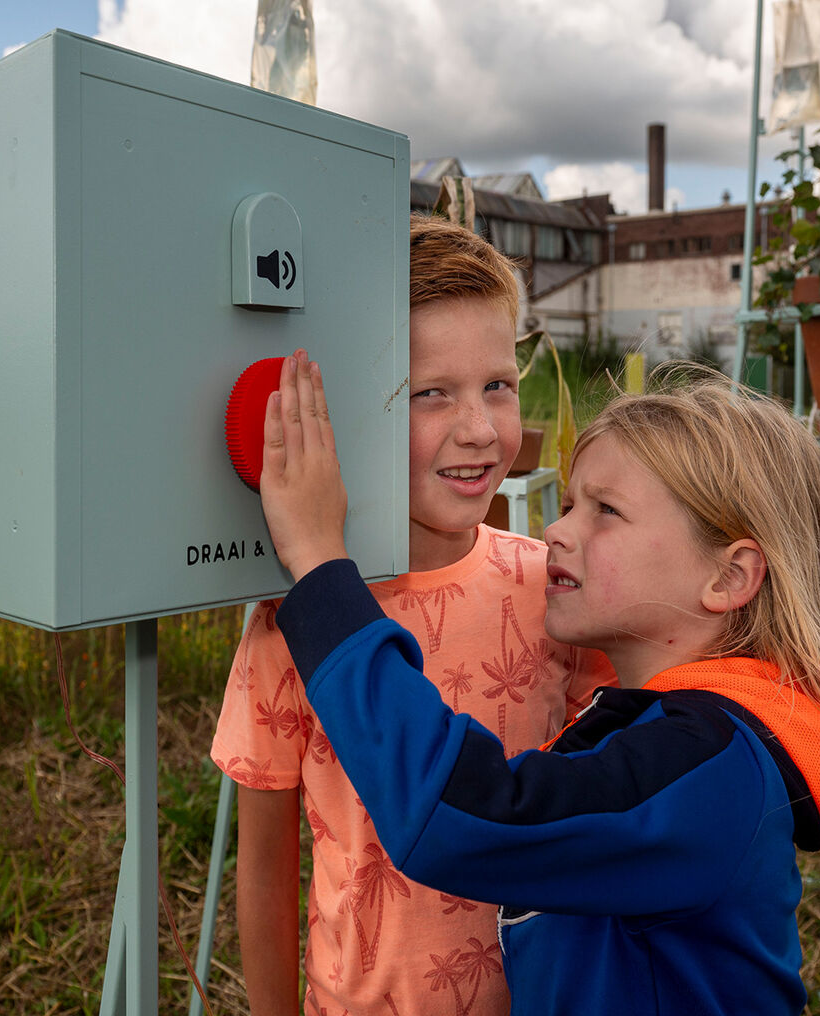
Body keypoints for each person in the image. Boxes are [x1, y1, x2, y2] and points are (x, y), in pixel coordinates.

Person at [255, 355, 820, 1016]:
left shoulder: (710, 770)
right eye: (568, 504)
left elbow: (462, 816)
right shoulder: (685, 737)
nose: (558, 530)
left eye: (607, 511)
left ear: (730, 578)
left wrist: (320, 568)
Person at [212, 215, 614, 1016]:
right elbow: (262, 870)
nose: (479, 430)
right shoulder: (298, 621)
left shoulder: (558, 590)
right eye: (430, 393)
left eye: (498, 385)